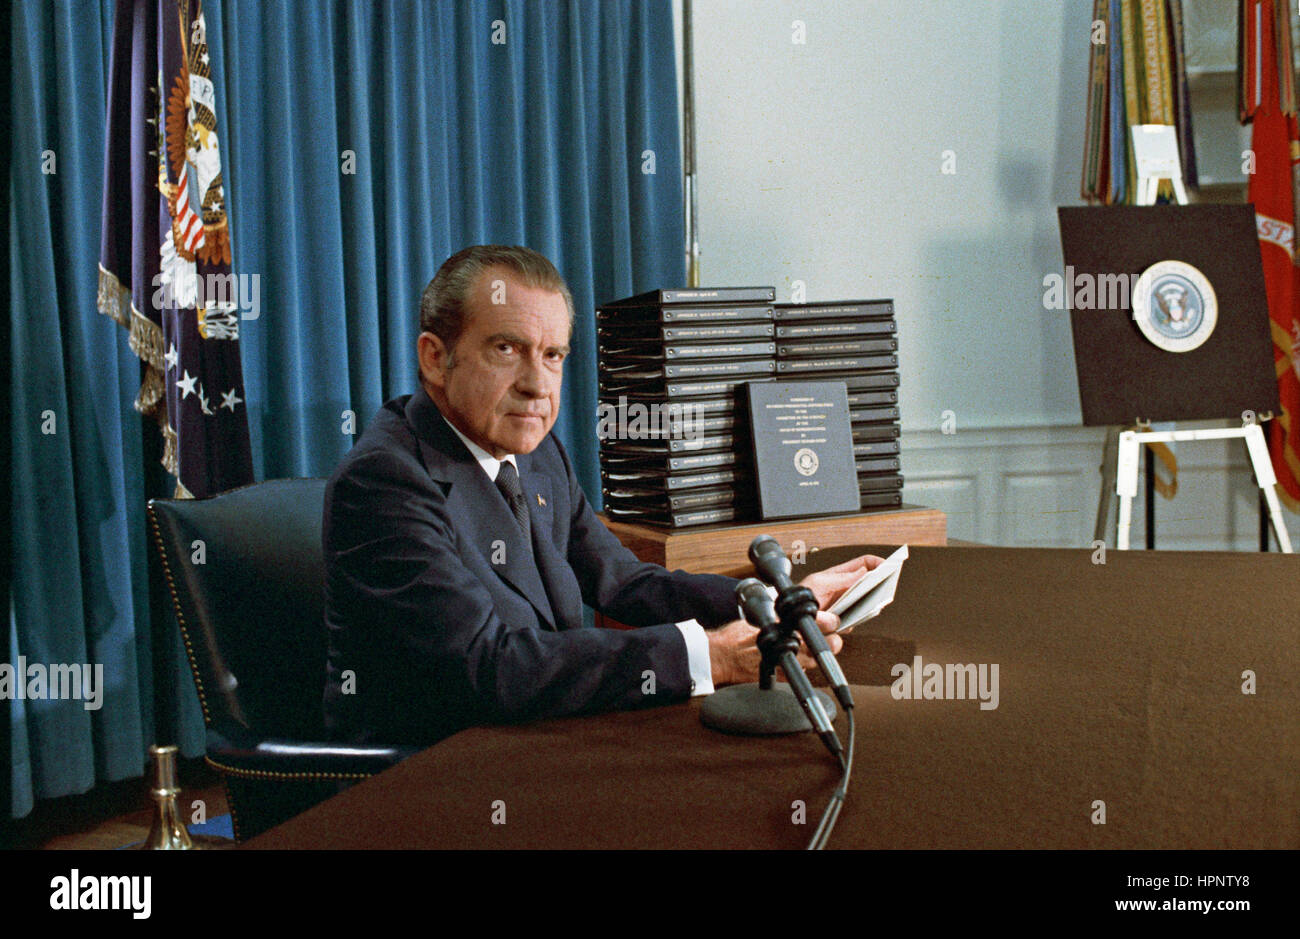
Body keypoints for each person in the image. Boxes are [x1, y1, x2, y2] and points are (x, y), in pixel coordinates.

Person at [322, 244, 879, 745]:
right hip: (432, 775)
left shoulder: (536, 449)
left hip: (543, 733)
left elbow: (624, 581)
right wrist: (709, 656)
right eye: (507, 348)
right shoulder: (382, 482)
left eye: (553, 355)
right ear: (435, 359)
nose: (537, 385)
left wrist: (774, 602)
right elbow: (486, 667)